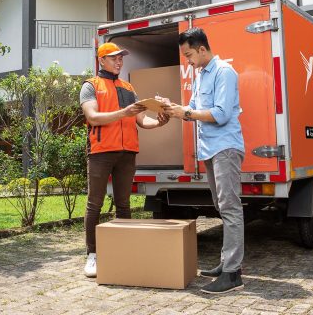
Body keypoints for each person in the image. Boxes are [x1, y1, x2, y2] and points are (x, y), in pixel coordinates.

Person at [164, 27, 246, 294]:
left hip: (225, 148)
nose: (187, 61)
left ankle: (233, 274)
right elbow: (193, 107)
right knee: (221, 206)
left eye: (189, 55)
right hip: (210, 149)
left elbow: (221, 114)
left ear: (201, 49)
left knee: (230, 207)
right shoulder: (200, 75)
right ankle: (226, 263)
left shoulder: (224, 72)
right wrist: (172, 108)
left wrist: (186, 113)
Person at [80, 42, 170, 278]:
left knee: (124, 204)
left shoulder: (129, 88)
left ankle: (123, 250)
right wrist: (123, 112)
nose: (119, 61)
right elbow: (93, 116)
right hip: (101, 152)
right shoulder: (91, 86)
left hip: (127, 152)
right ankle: (93, 254)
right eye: (114, 58)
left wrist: (159, 122)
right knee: (95, 204)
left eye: (121, 58)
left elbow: (142, 120)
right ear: (101, 60)